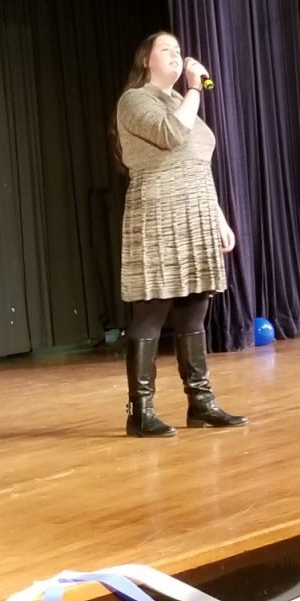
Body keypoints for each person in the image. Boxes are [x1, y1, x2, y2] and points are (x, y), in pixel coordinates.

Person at [113, 31, 247, 437]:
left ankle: (201, 403)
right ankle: (141, 411)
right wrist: (193, 89)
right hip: (158, 211)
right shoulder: (135, 100)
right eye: (166, 50)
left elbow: (197, 164)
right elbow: (171, 135)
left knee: (194, 308)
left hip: (196, 212)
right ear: (145, 61)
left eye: (178, 50)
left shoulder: (181, 102)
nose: (177, 55)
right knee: (152, 308)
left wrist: (219, 217)